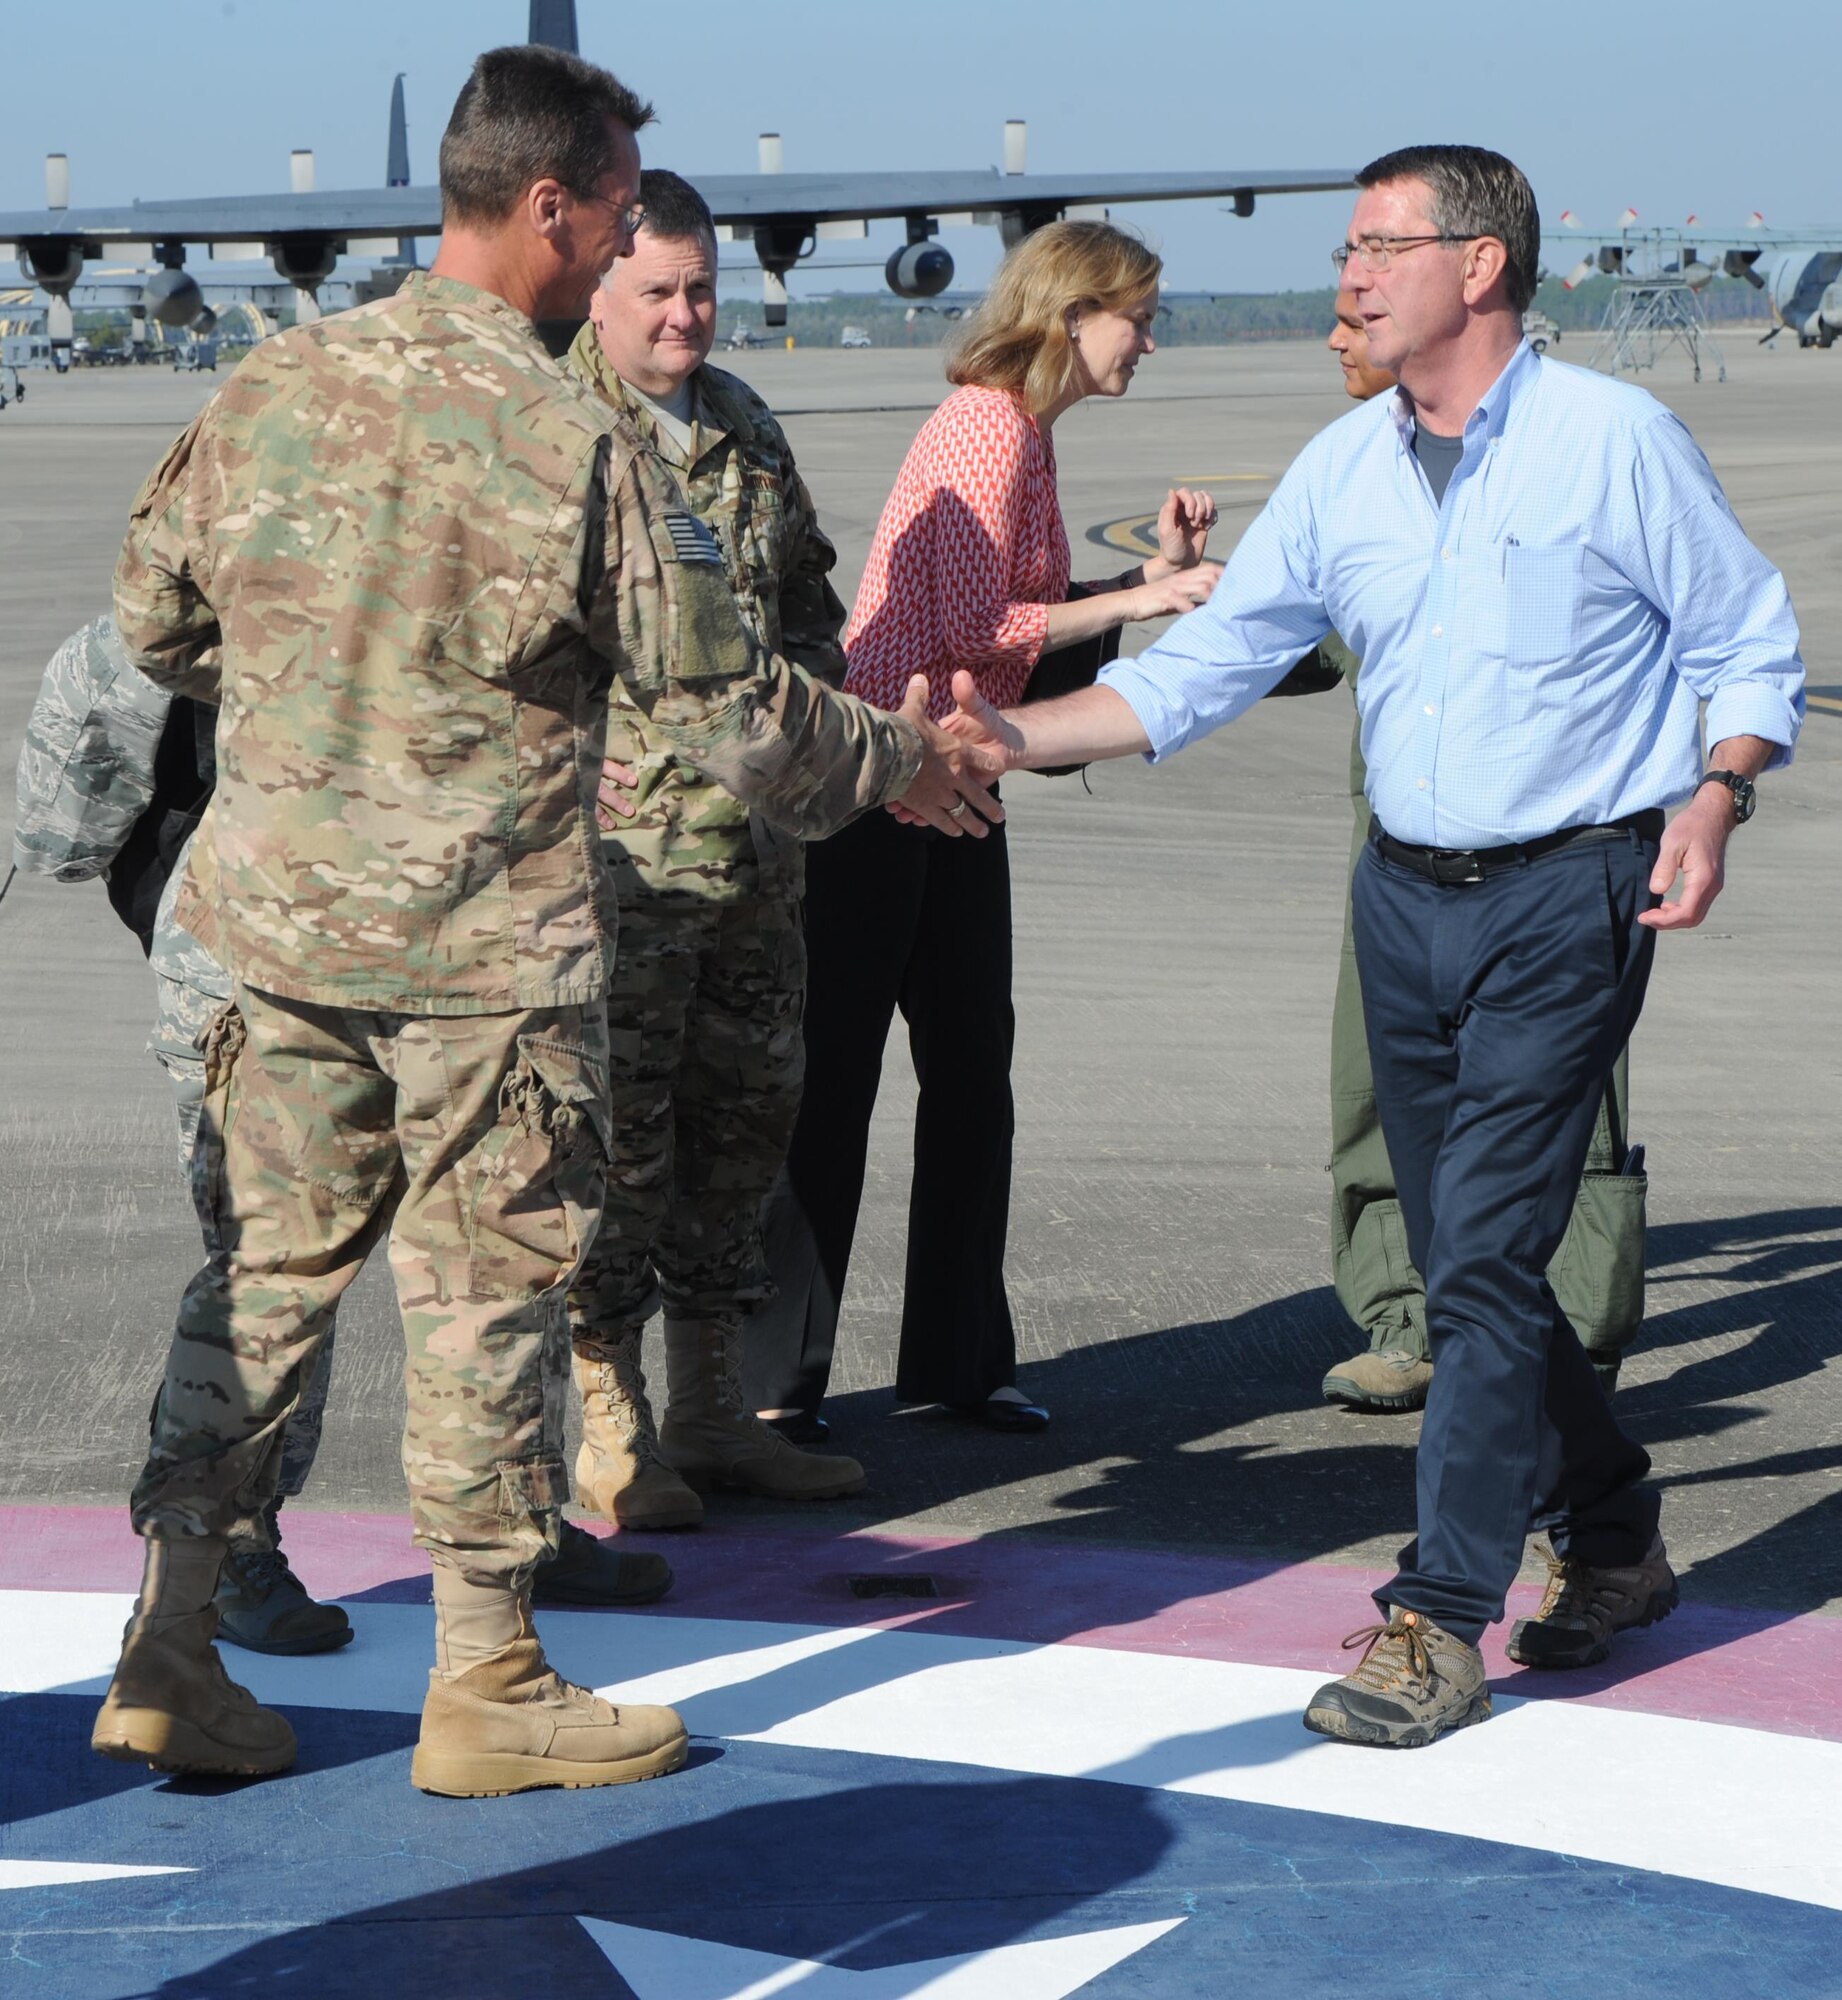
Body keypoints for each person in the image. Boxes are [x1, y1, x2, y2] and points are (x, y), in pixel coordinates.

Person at [88, 43, 998, 1799]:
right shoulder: (573, 438)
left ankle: (170, 1641)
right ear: (551, 205)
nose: (612, 261)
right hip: (472, 965)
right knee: (485, 1302)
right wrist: (903, 757)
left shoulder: (273, 386)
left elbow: (156, 626)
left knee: (262, 1284)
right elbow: (735, 714)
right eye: (606, 223)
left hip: (273, 934)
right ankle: (489, 1678)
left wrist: (326, 699)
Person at [942, 144, 1803, 1747]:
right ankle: (1611, 1535)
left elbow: (1746, 640)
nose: (1346, 277)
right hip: (1400, 900)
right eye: (1347, 249)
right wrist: (1016, 732)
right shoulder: (1343, 468)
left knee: (1473, 1259)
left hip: (1570, 892)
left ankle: (1437, 1615)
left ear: (1476, 267)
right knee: (1466, 1256)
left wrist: (1714, 797)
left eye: (1375, 247)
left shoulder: (1612, 442)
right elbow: (1205, 666)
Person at [743, 220, 1219, 1436]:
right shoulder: (984, 427)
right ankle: (773, 1385)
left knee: (970, 1072)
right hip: (879, 789)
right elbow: (968, 625)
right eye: (1138, 315)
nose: (1149, 340)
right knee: (836, 1079)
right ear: (1073, 314)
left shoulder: (1030, 435)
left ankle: (957, 1361)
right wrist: (1145, 597)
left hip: (958, 779)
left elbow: (1016, 612)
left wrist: (1141, 578)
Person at [562, 170, 868, 1527]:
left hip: (753, 860)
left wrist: (809, 738)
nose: (686, 316)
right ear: (600, 288)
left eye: (702, 291)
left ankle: (708, 1411)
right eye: (660, 292)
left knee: (742, 1131)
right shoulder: (558, 427)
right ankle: (612, 1422)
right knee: (617, 1147)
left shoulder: (742, 425)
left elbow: (809, 609)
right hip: (617, 871)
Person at [1309, 298, 1651, 1414]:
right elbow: (1304, 636)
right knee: (1378, 1084)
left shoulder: (1578, 455)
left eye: (1356, 314)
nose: (1337, 336)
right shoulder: (1362, 471)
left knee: (1564, 1099)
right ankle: (1407, 1315)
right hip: (1402, 853)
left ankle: (1577, 1321)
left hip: (1551, 854)